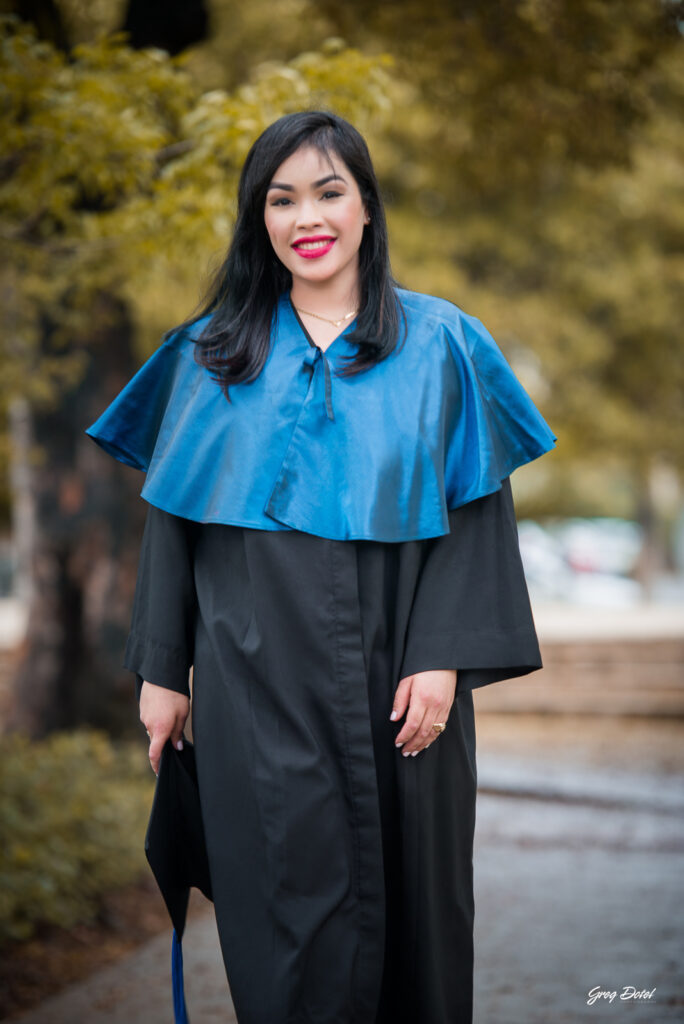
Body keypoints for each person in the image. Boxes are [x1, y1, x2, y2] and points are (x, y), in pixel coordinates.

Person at [86, 110, 557, 1024]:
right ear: (259, 219)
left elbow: (476, 517)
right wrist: (159, 671)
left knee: (418, 917)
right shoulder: (209, 355)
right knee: (283, 911)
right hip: (252, 679)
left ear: (367, 207)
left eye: (330, 192)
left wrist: (444, 655)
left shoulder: (443, 345)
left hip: (404, 683)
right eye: (283, 198)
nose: (309, 217)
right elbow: (174, 524)